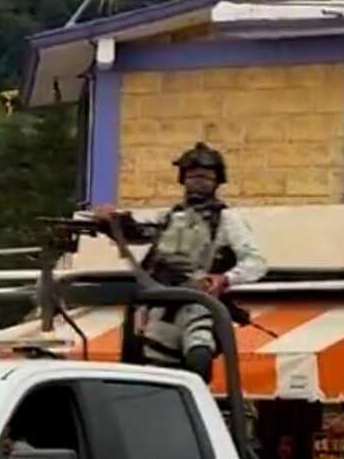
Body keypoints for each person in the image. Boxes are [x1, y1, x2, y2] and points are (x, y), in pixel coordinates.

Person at [93, 143, 267, 383]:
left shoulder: (228, 219)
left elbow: (256, 261)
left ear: (217, 181)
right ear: (183, 179)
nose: (198, 182)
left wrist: (225, 278)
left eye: (206, 177)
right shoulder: (168, 217)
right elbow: (137, 232)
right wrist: (111, 221)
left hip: (199, 303)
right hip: (161, 306)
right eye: (193, 176)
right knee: (152, 372)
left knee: (199, 358)